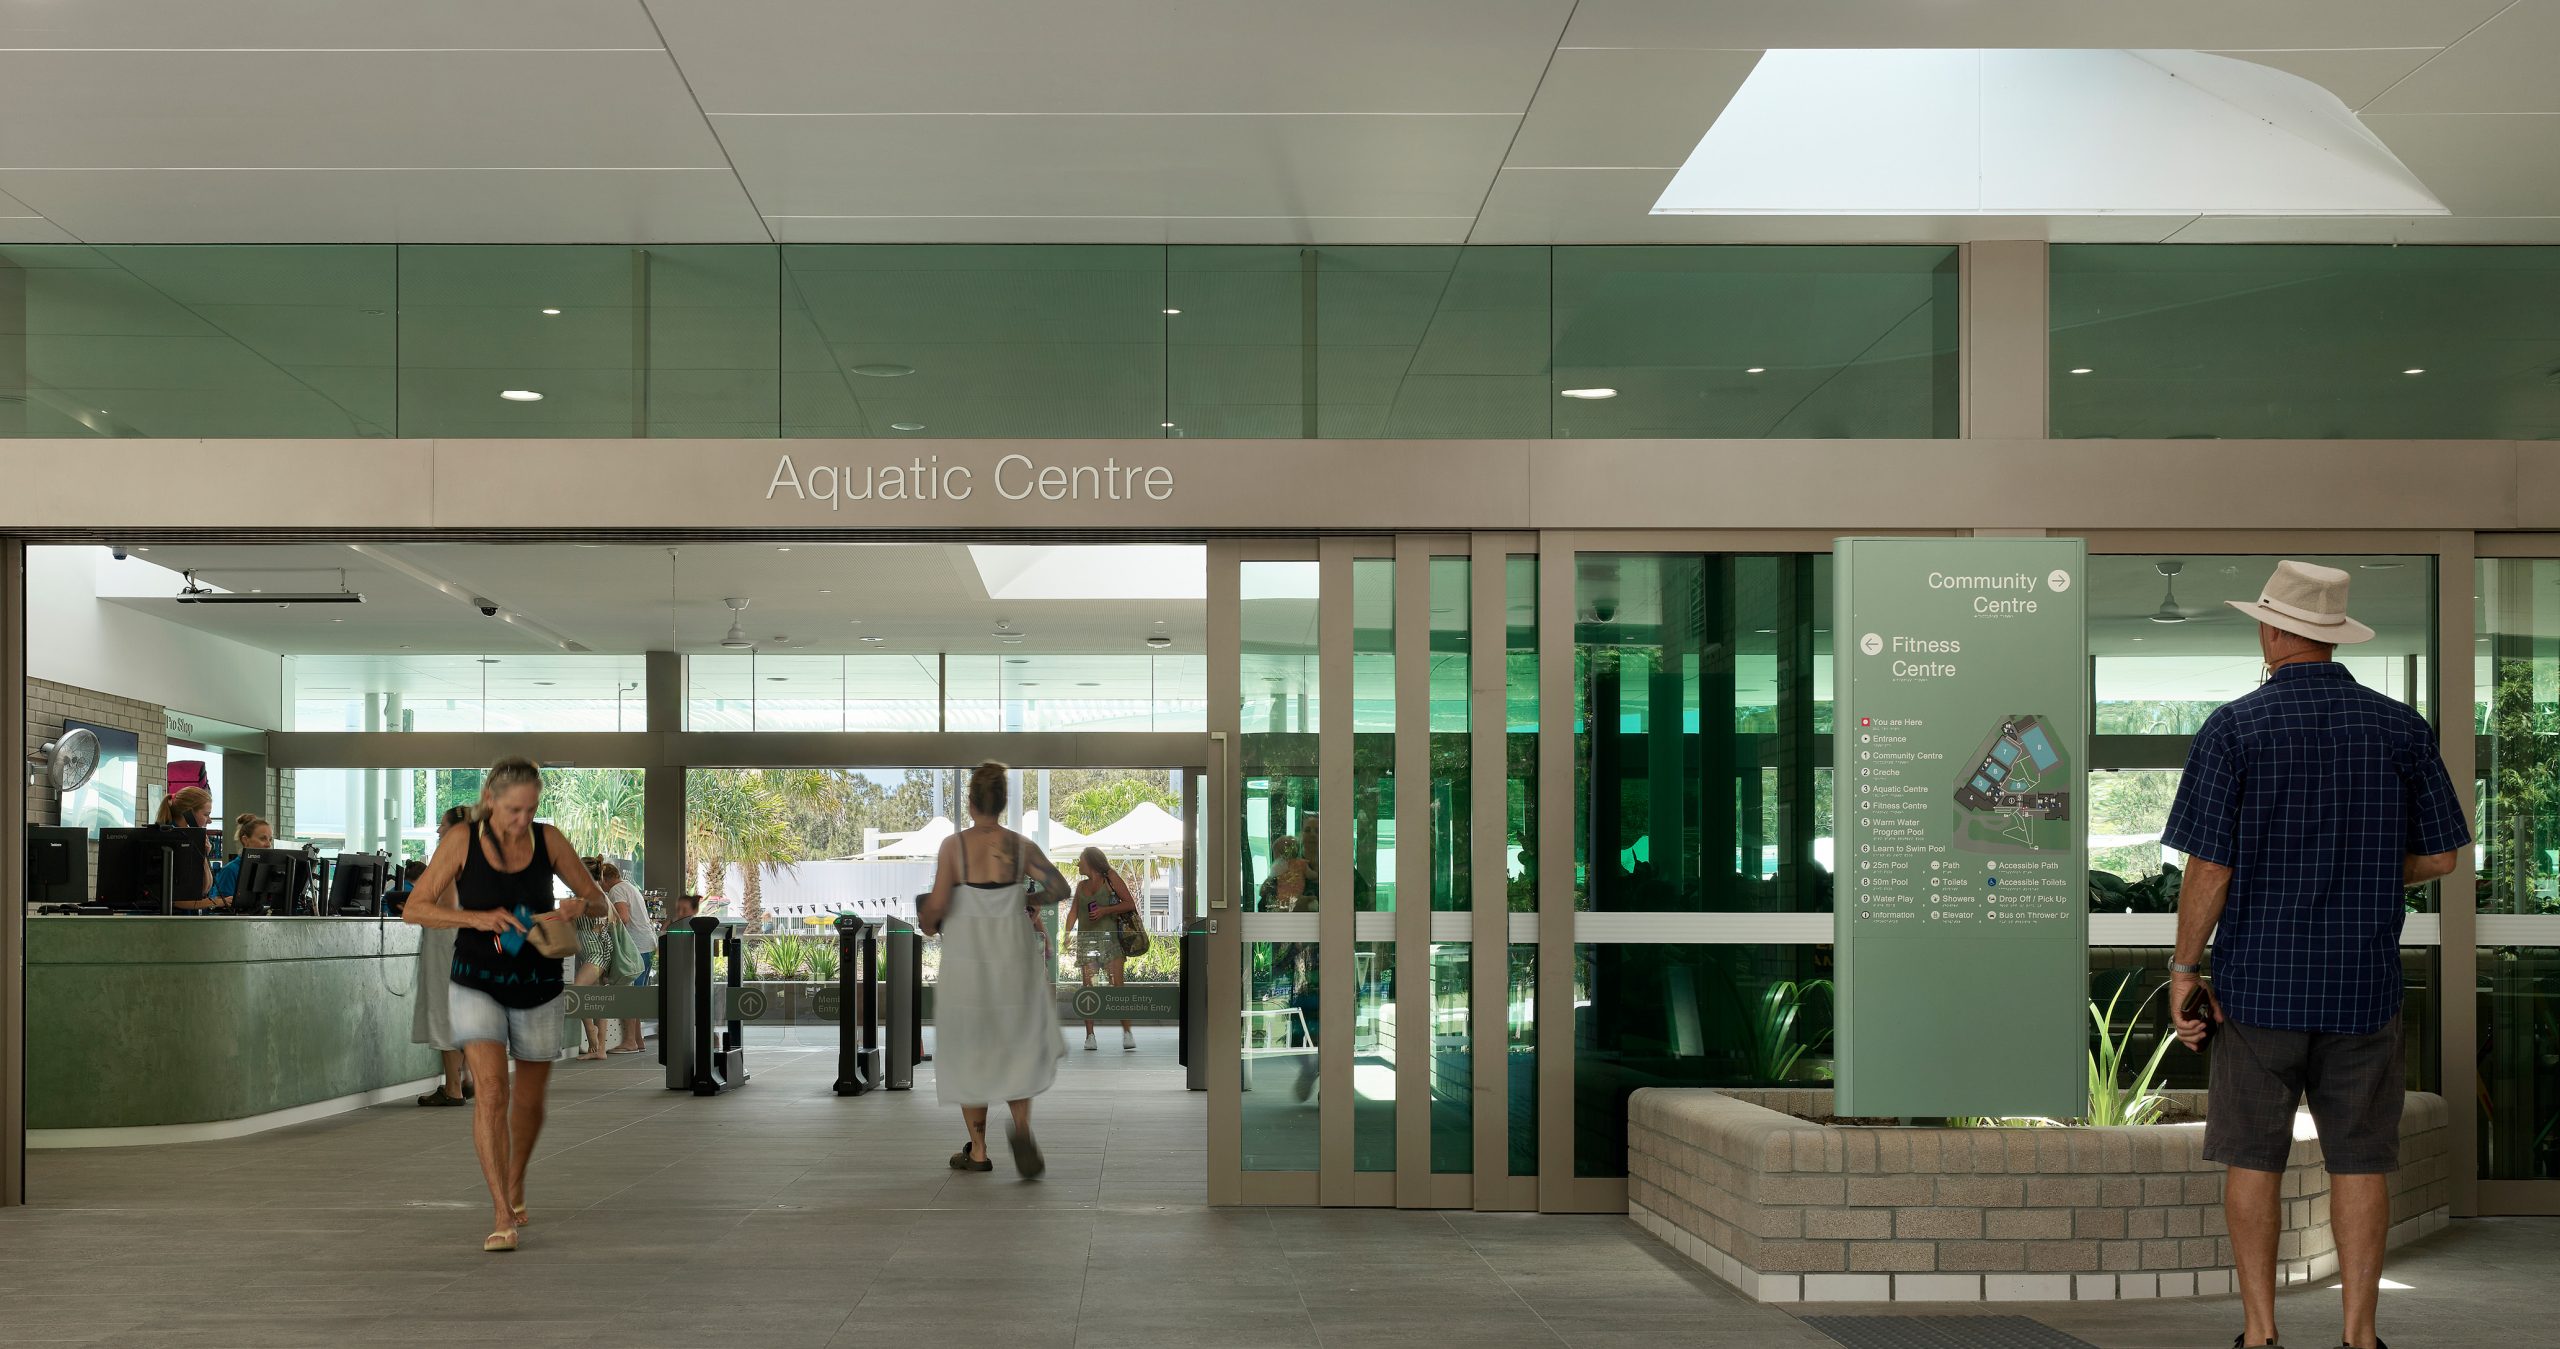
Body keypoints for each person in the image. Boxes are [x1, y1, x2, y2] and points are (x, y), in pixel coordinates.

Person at [2161, 561, 2469, 1349]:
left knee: (2253, 1159)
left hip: (2257, 990)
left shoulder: (2234, 727)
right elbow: (2442, 859)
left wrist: (2185, 969)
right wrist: (2367, 863)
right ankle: (2360, 1337)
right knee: (2360, 1162)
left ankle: (2260, 1333)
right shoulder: (2402, 727)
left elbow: (2209, 867)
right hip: (2363, 987)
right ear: (2332, 638)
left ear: (2271, 632)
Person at [403, 758, 609, 1252]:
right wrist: (476, 919)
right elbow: (415, 908)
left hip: (537, 980)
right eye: (515, 809)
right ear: (491, 799)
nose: (522, 819)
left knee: (530, 1100)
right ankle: (500, 1211)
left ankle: (515, 1182)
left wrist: (579, 905)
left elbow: (599, 900)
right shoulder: (462, 840)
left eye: (531, 808)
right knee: (493, 1092)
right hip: (475, 981)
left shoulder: (549, 838)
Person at [919, 761, 1069, 1177]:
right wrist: (1028, 899)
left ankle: (979, 1149)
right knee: (1016, 1043)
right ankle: (1021, 1126)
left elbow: (935, 907)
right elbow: (1061, 887)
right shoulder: (1020, 847)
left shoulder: (955, 847)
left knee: (971, 1049)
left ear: (970, 802)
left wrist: (929, 920)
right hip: (1014, 960)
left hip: (968, 964)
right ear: (1003, 802)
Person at [412, 809, 475, 1107]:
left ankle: (452, 1088)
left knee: (444, 1009)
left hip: (446, 942)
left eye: (442, 825)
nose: (437, 831)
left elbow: (447, 904)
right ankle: (467, 1078)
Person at [1070, 846, 1139, 1052]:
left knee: (1117, 987)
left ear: (1090, 861)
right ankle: (1090, 1036)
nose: (1078, 863)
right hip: (1087, 942)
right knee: (1088, 989)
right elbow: (1073, 911)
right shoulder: (1081, 885)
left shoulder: (1111, 878)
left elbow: (1129, 903)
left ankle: (1127, 1032)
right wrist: (1066, 936)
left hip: (1110, 942)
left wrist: (1105, 910)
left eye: (1081, 859)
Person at [600, 862, 654, 1055]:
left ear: (604, 879)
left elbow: (623, 917)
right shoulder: (630, 886)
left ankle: (630, 1041)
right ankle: (638, 1040)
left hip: (635, 947)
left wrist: (601, 926)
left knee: (629, 994)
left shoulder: (616, 890)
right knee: (637, 994)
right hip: (646, 945)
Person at [152, 787, 220, 912]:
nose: (209, 820)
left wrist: (203, 854)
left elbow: (204, 888)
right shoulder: (170, 840)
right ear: (188, 813)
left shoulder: (189, 839)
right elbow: (176, 899)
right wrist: (216, 902)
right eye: (206, 814)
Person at [210, 813, 271, 902]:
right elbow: (220, 905)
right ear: (245, 840)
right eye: (262, 839)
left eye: (270, 839)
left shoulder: (268, 869)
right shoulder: (230, 870)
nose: (268, 844)